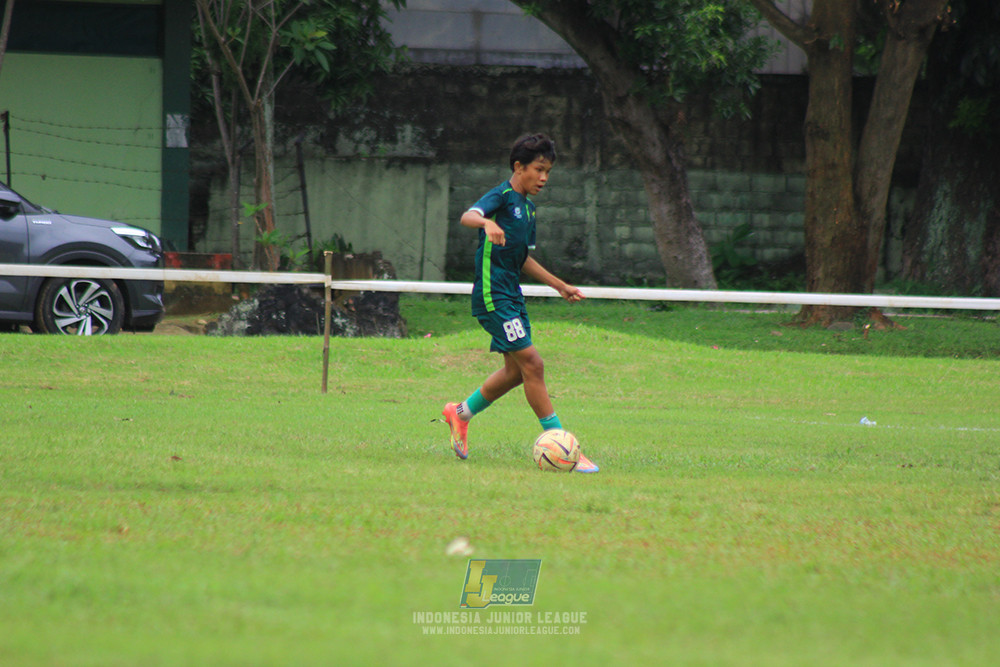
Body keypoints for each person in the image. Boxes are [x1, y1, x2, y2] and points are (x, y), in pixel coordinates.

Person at [442, 133, 599, 473]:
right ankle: (562, 443)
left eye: (548, 172)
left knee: (516, 372)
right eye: (539, 170)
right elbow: (468, 215)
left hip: (512, 295)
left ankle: (459, 414)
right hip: (492, 294)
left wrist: (560, 285)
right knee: (534, 364)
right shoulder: (501, 196)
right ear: (519, 167)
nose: (544, 178)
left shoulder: (528, 209)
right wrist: (486, 223)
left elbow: (522, 258)